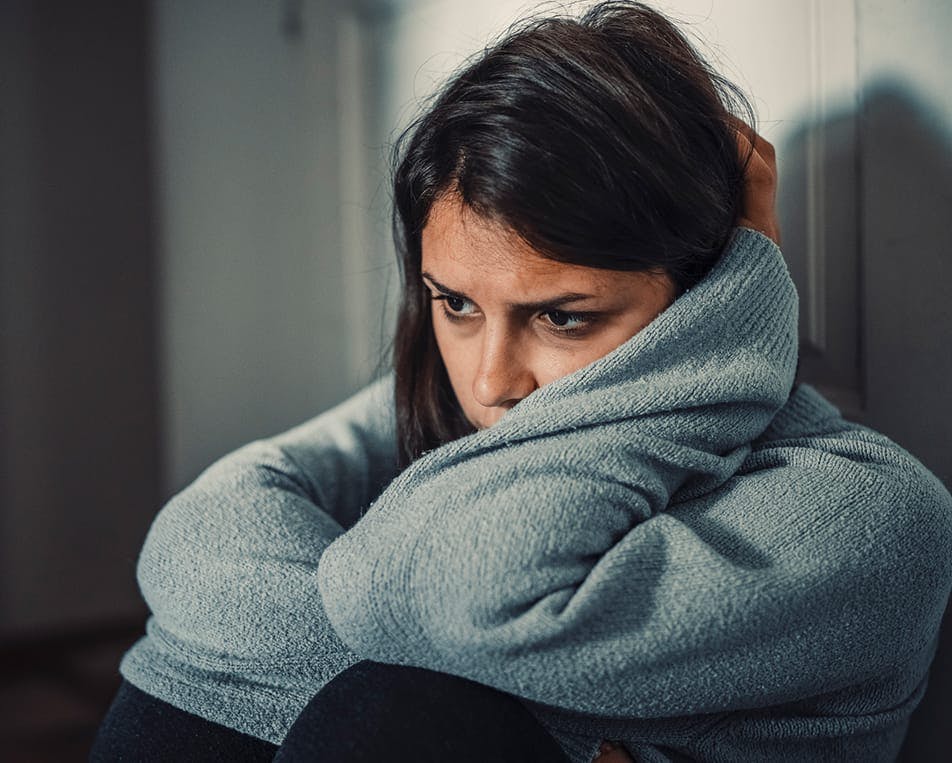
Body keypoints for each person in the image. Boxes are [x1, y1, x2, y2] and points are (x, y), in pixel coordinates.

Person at [91, 2, 952, 761]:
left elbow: (460, 594)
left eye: (564, 316)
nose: (493, 379)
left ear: (713, 295)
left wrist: (744, 291)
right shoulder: (455, 401)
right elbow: (206, 534)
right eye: (456, 302)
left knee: (398, 710)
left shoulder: (872, 512)